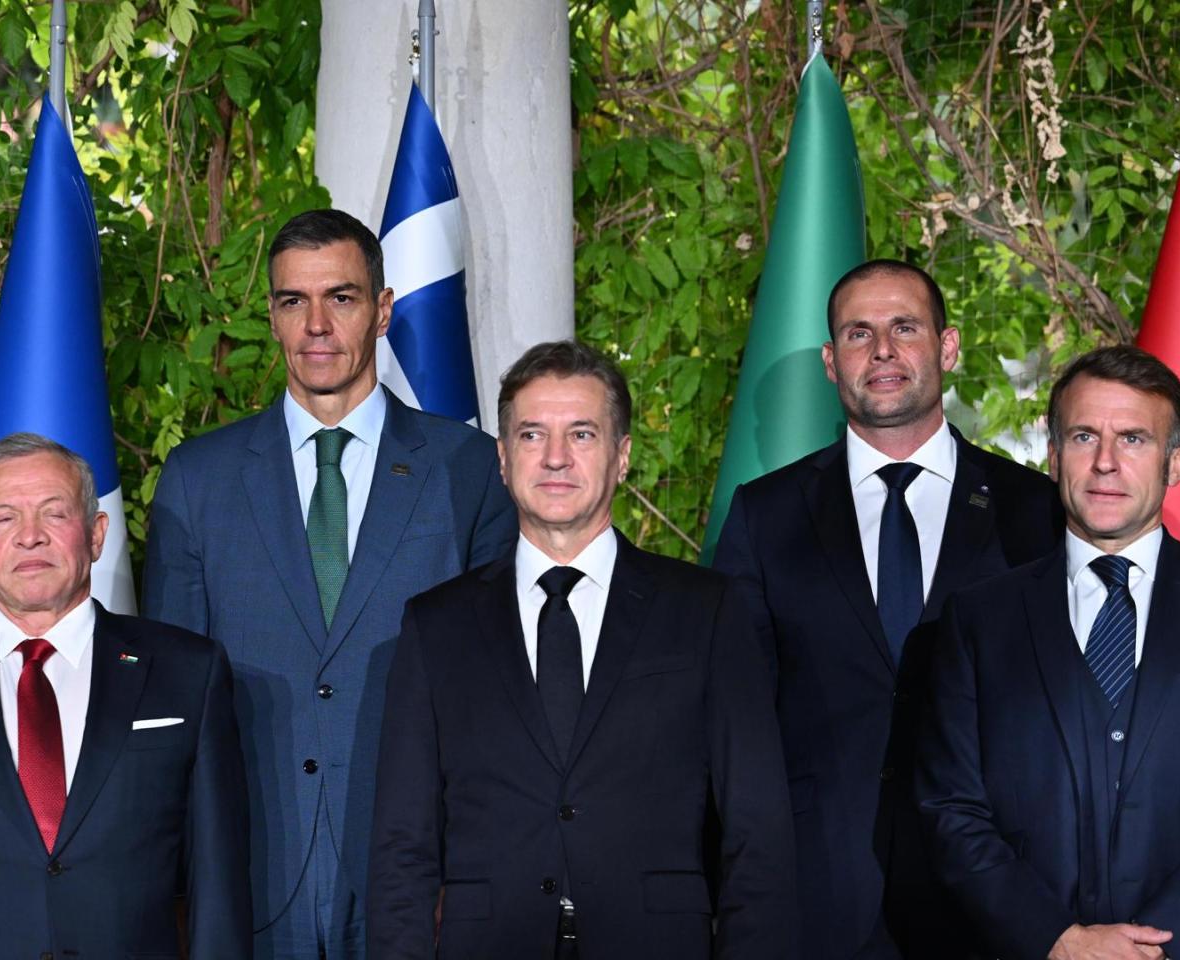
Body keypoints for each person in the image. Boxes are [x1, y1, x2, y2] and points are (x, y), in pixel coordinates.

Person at [142, 208, 516, 958]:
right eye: (293, 301)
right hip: (250, 866)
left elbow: (499, 691)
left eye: (340, 297)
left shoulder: (469, 468)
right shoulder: (198, 479)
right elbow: (173, 698)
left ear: (383, 310)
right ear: (273, 318)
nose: (316, 324)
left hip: (421, 875)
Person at [368, 340, 797, 959]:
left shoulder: (706, 610)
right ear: (503, 459)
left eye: (583, 435)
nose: (556, 459)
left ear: (622, 456)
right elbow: (401, 848)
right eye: (533, 435)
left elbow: (759, 831)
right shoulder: (436, 626)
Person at [712, 259, 1062, 959]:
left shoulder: (1035, 511)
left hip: (993, 902)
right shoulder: (766, 515)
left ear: (948, 346)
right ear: (829, 362)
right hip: (815, 897)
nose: (882, 351)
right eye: (857, 333)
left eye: (904, 328)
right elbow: (730, 712)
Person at [0, 433, 250, 959]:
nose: (29, 537)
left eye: (54, 514)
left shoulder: (189, 673)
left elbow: (218, 890)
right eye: (4, 518)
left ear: (97, 534)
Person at [918, 344, 1180, 960]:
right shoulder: (979, 618)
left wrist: (1164, 946)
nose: (1106, 464)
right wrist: (1056, 940)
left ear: (1175, 464)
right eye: (1085, 436)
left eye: (1134, 440)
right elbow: (950, 809)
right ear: (1053, 453)